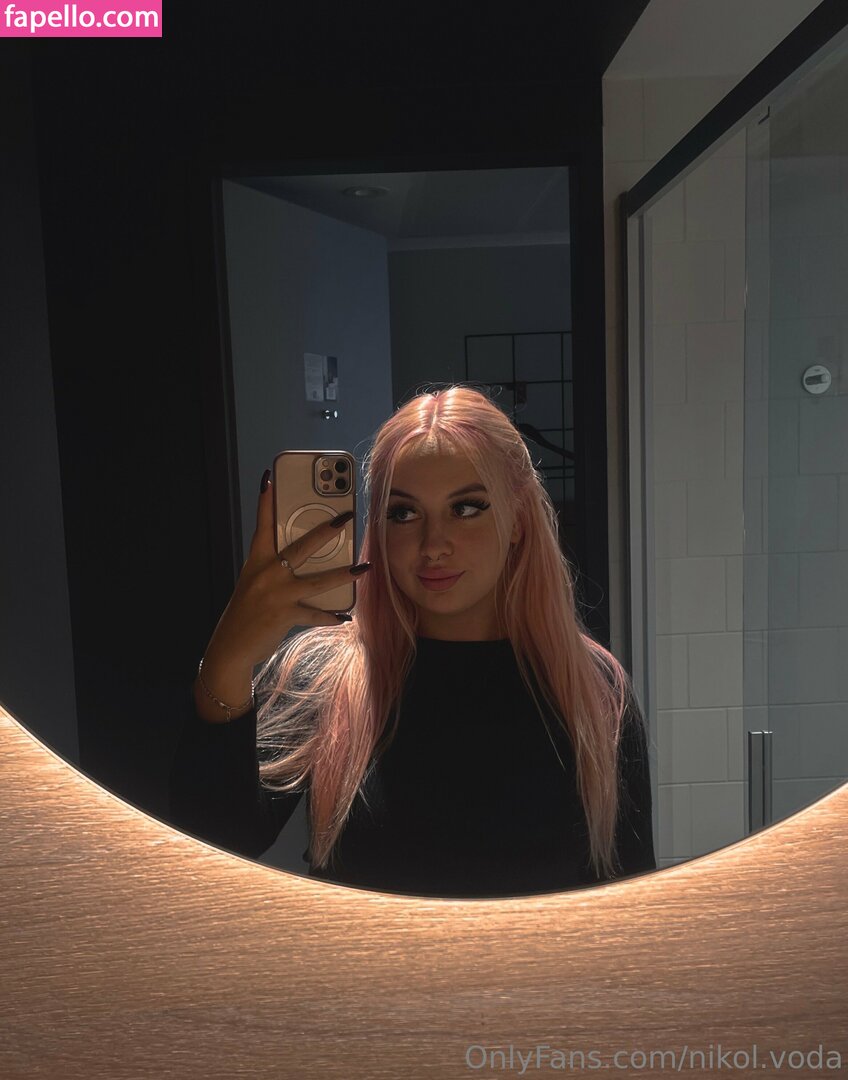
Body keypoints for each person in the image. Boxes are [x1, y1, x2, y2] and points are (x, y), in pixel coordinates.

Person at [169, 385, 656, 898]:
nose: (433, 545)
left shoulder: (593, 691)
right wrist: (228, 657)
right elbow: (205, 848)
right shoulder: (325, 677)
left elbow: (633, 906)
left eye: (466, 508)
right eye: (403, 513)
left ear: (517, 519)